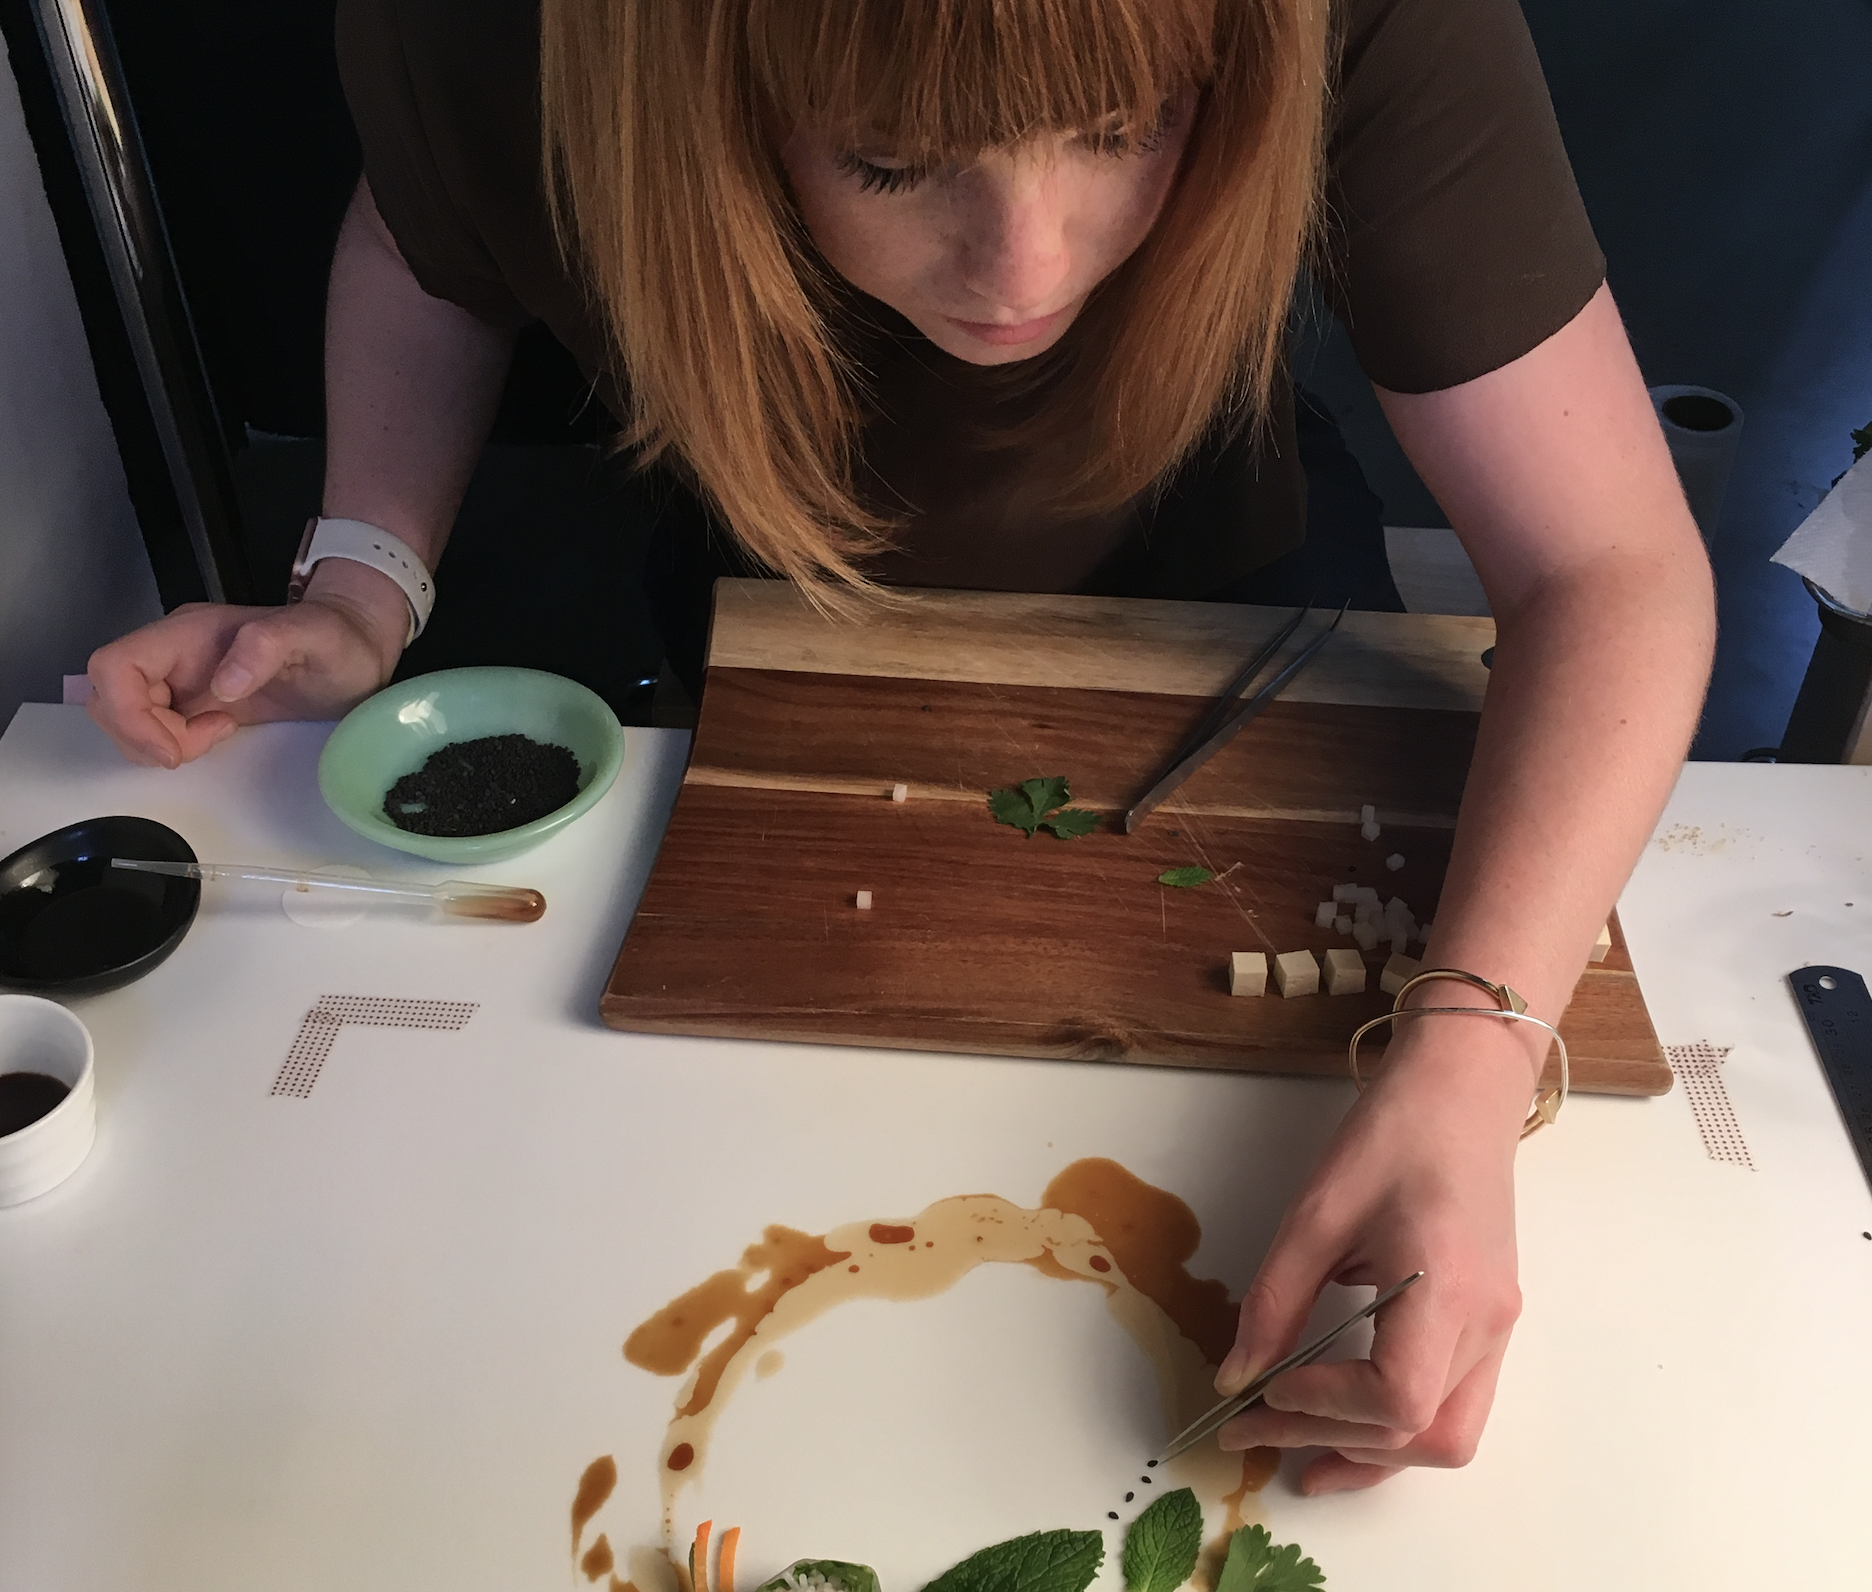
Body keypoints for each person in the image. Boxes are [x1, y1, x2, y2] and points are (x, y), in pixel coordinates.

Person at [86, 0, 1713, 1492]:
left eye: (1124, 127)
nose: (1024, 267)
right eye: (891, 157)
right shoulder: (495, 36)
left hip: (1237, 577)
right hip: (776, 598)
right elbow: (428, 239)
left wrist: (1474, 1057)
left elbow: (1612, 568)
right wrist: (362, 581)